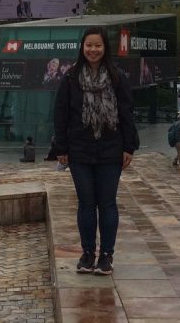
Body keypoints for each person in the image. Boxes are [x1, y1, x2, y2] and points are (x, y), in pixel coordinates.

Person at [53, 26, 137, 276]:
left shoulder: (117, 77)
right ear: (82, 47)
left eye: (97, 45)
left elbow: (126, 113)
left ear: (105, 48)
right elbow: (61, 115)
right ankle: (88, 254)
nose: (93, 50)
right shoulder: (70, 78)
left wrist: (129, 147)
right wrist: (62, 148)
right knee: (86, 204)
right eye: (88, 45)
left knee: (108, 204)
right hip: (79, 150)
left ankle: (106, 256)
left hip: (111, 149)